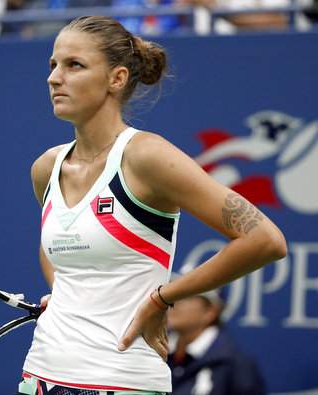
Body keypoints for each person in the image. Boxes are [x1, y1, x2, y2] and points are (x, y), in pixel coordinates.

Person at [17, 15, 287, 395]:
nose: (54, 77)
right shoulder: (47, 168)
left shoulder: (147, 156)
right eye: (53, 65)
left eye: (74, 65)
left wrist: (163, 298)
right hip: (39, 377)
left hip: (122, 381)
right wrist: (66, 295)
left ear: (117, 78)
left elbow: (265, 240)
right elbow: (55, 252)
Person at [167, 282, 266, 395]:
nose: (174, 303)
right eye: (172, 295)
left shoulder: (235, 364)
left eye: (186, 296)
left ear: (211, 311)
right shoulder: (156, 354)